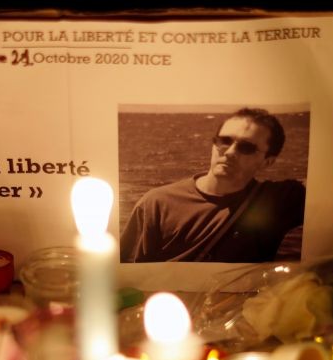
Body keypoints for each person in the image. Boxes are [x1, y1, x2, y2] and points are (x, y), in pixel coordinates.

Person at [120, 107, 305, 263]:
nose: (230, 152)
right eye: (224, 141)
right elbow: (131, 274)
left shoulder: (279, 201)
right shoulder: (157, 203)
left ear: (267, 162)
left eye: (246, 147)